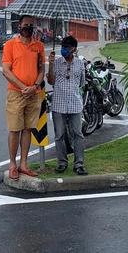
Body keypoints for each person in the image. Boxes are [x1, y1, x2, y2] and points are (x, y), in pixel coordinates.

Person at [2, 15, 45, 180]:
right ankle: (13, 164)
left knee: (28, 129)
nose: (28, 27)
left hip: (33, 94)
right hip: (16, 93)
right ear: (19, 26)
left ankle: (24, 164)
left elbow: (41, 70)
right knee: (14, 129)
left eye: (31, 25)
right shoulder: (10, 45)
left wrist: (34, 86)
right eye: (25, 24)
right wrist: (23, 87)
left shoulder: (39, 46)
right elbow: (6, 70)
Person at [47, 35, 87, 175]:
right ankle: (62, 162)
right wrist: (50, 64)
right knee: (59, 135)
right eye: (63, 47)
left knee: (78, 134)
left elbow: (82, 82)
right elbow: (51, 81)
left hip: (75, 104)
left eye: (67, 47)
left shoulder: (80, 64)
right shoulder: (57, 62)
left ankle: (79, 163)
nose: (64, 50)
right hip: (59, 104)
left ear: (74, 49)